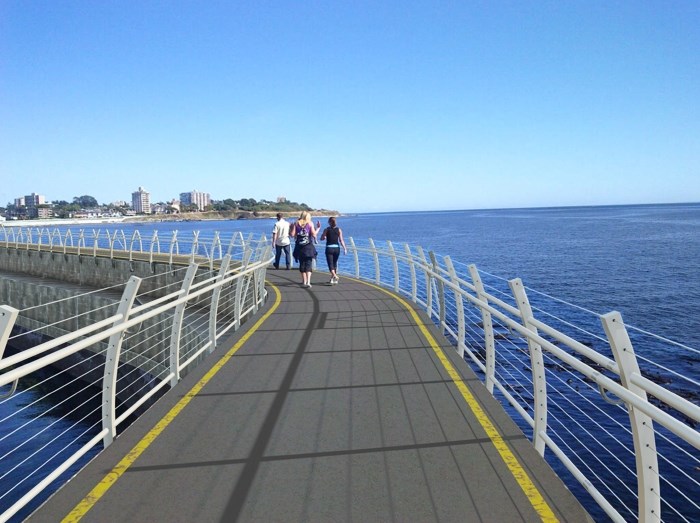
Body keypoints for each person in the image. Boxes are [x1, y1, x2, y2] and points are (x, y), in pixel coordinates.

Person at [290, 211, 320, 287]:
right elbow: (314, 234)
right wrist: (318, 228)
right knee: (308, 264)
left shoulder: (296, 223)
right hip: (308, 247)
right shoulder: (310, 224)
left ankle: (304, 282)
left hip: (299, 247)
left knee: (302, 264)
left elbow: (292, 234)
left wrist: (292, 228)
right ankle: (308, 282)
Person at [320, 216, 347, 284]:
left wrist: (324, 237)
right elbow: (341, 240)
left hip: (329, 248)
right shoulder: (339, 230)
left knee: (330, 264)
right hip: (337, 248)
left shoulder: (326, 229)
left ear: (329, 222)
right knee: (334, 264)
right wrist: (345, 248)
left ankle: (334, 276)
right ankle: (332, 279)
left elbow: (322, 238)